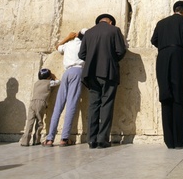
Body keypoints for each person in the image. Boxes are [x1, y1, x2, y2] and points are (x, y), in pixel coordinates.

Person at [78, 14, 127, 149]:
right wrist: (110, 60)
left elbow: (81, 54)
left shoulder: (88, 33)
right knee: (107, 104)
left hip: (91, 74)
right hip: (108, 72)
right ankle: (102, 139)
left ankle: (91, 139)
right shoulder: (114, 30)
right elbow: (121, 51)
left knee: (93, 105)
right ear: (110, 22)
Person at [151, 1, 183, 149]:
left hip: (162, 58)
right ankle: (180, 141)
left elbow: (153, 40)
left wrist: (165, 46)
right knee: (178, 96)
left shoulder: (161, 23)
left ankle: (169, 141)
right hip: (177, 56)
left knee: (166, 96)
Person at [43, 30, 87, 147]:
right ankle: (64, 138)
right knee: (71, 104)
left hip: (66, 72)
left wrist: (68, 37)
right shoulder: (85, 45)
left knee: (59, 105)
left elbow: (58, 46)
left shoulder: (69, 44)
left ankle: (49, 138)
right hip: (77, 71)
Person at [20, 68, 60, 146]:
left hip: (32, 102)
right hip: (41, 103)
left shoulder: (36, 83)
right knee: (39, 122)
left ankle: (25, 141)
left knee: (30, 122)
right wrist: (54, 77)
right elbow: (58, 82)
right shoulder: (49, 82)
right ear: (49, 76)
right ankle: (36, 140)